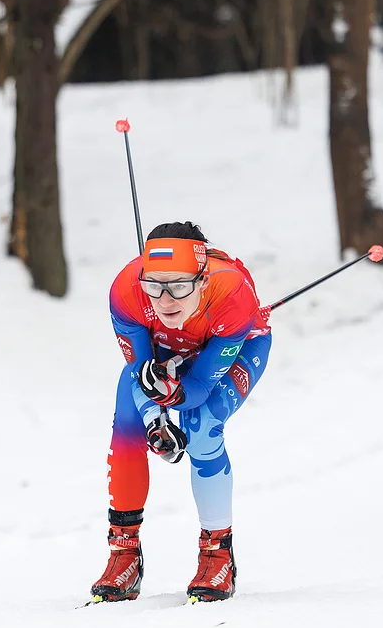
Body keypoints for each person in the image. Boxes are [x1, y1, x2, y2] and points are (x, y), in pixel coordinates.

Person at [90, 221, 272, 603]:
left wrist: (173, 397)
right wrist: (156, 424)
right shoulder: (126, 292)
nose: (165, 300)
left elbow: (200, 386)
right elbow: (141, 373)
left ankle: (217, 555)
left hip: (229, 352)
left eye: (179, 286)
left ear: (202, 280)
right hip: (165, 353)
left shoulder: (232, 294)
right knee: (128, 425)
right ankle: (124, 554)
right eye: (154, 285)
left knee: (202, 425)